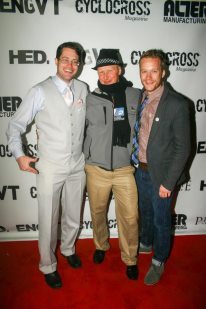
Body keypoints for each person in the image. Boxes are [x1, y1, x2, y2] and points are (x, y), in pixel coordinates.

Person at [6, 42, 88, 288]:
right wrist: (19, 154)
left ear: (80, 64)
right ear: (56, 61)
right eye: (65, 59)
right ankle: (47, 265)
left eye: (75, 61)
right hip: (50, 165)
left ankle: (68, 249)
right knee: (49, 220)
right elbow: (15, 126)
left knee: (74, 215)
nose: (70, 65)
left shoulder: (83, 88)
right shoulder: (39, 91)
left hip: (77, 164)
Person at [132, 49, 190, 285]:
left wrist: (168, 182)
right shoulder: (140, 97)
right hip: (140, 170)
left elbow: (183, 148)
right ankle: (145, 243)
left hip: (162, 176)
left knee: (161, 220)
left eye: (153, 71)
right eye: (144, 71)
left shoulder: (177, 104)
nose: (148, 76)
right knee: (144, 213)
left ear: (163, 72)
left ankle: (159, 261)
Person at [83, 49, 141, 280]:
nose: (105, 76)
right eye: (101, 72)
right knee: (97, 213)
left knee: (129, 217)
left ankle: (130, 258)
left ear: (120, 69)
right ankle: (101, 245)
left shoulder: (136, 95)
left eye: (110, 71)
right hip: (96, 168)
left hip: (125, 169)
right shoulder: (89, 98)